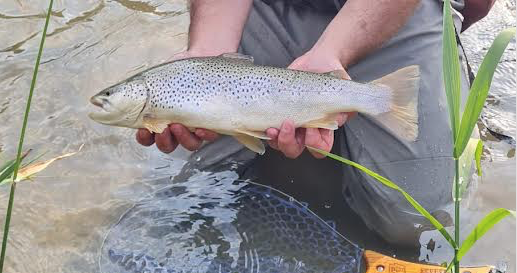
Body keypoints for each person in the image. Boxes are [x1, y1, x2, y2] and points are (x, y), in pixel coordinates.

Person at [136, 0, 472, 247]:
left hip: (392, 10)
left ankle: (460, 103)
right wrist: (207, 53)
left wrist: (332, 54)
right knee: (202, 187)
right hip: (259, 7)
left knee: (419, 227)